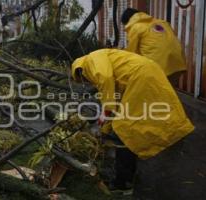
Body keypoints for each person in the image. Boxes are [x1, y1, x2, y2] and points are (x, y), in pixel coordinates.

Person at [72, 49, 194, 190]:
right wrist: (105, 127)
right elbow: (116, 97)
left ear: (79, 70)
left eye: (84, 79)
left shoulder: (90, 60)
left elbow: (105, 79)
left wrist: (106, 111)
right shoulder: (105, 61)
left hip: (139, 77)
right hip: (146, 72)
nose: (87, 81)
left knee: (125, 128)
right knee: (136, 121)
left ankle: (122, 183)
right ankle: (128, 174)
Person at [122, 8, 186, 86]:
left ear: (128, 21)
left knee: (153, 93)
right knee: (169, 92)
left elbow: (131, 54)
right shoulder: (163, 23)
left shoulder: (135, 27)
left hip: (159, 66)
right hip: (178, 63)